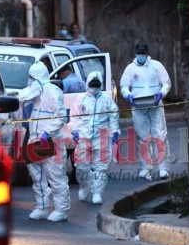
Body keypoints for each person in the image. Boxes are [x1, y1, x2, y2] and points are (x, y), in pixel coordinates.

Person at [17, 61, 70, 221]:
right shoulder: (34, 94)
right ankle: (41, 207)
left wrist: (47, 133)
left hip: (51, 141)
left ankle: (62, 210)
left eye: (31, 78)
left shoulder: (52, 91)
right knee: (37, 176)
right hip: (34, 140)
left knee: (56, 177)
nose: (29, 81)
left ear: (37, 78)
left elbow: (61, 116)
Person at [120, 43, 172, 181]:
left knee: (160, 135)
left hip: (155, 104)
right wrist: (128, 95)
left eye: (143, 53)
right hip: (138, 106)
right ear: (136, 53)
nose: (141, 55)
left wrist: (161, 93)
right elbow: (124, 86)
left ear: (147, 53)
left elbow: (166, 83)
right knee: (143, 137)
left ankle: (163, 169)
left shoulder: (156, 66)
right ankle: (145, 168)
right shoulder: (130, 69)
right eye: (139, 53)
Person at [71, 71, 120, 204]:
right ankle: (84, 186)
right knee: (81, 166)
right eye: (92, 86)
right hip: (83, 136)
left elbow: (114, 116)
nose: (94, 88)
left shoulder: (106, 100)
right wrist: (74, 130)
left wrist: (115, 132)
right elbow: (74, 116)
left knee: (101, 166)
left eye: (96, 86)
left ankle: (97, 193)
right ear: (87, 84)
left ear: (101, 86)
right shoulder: (80, 99)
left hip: (101, 136)